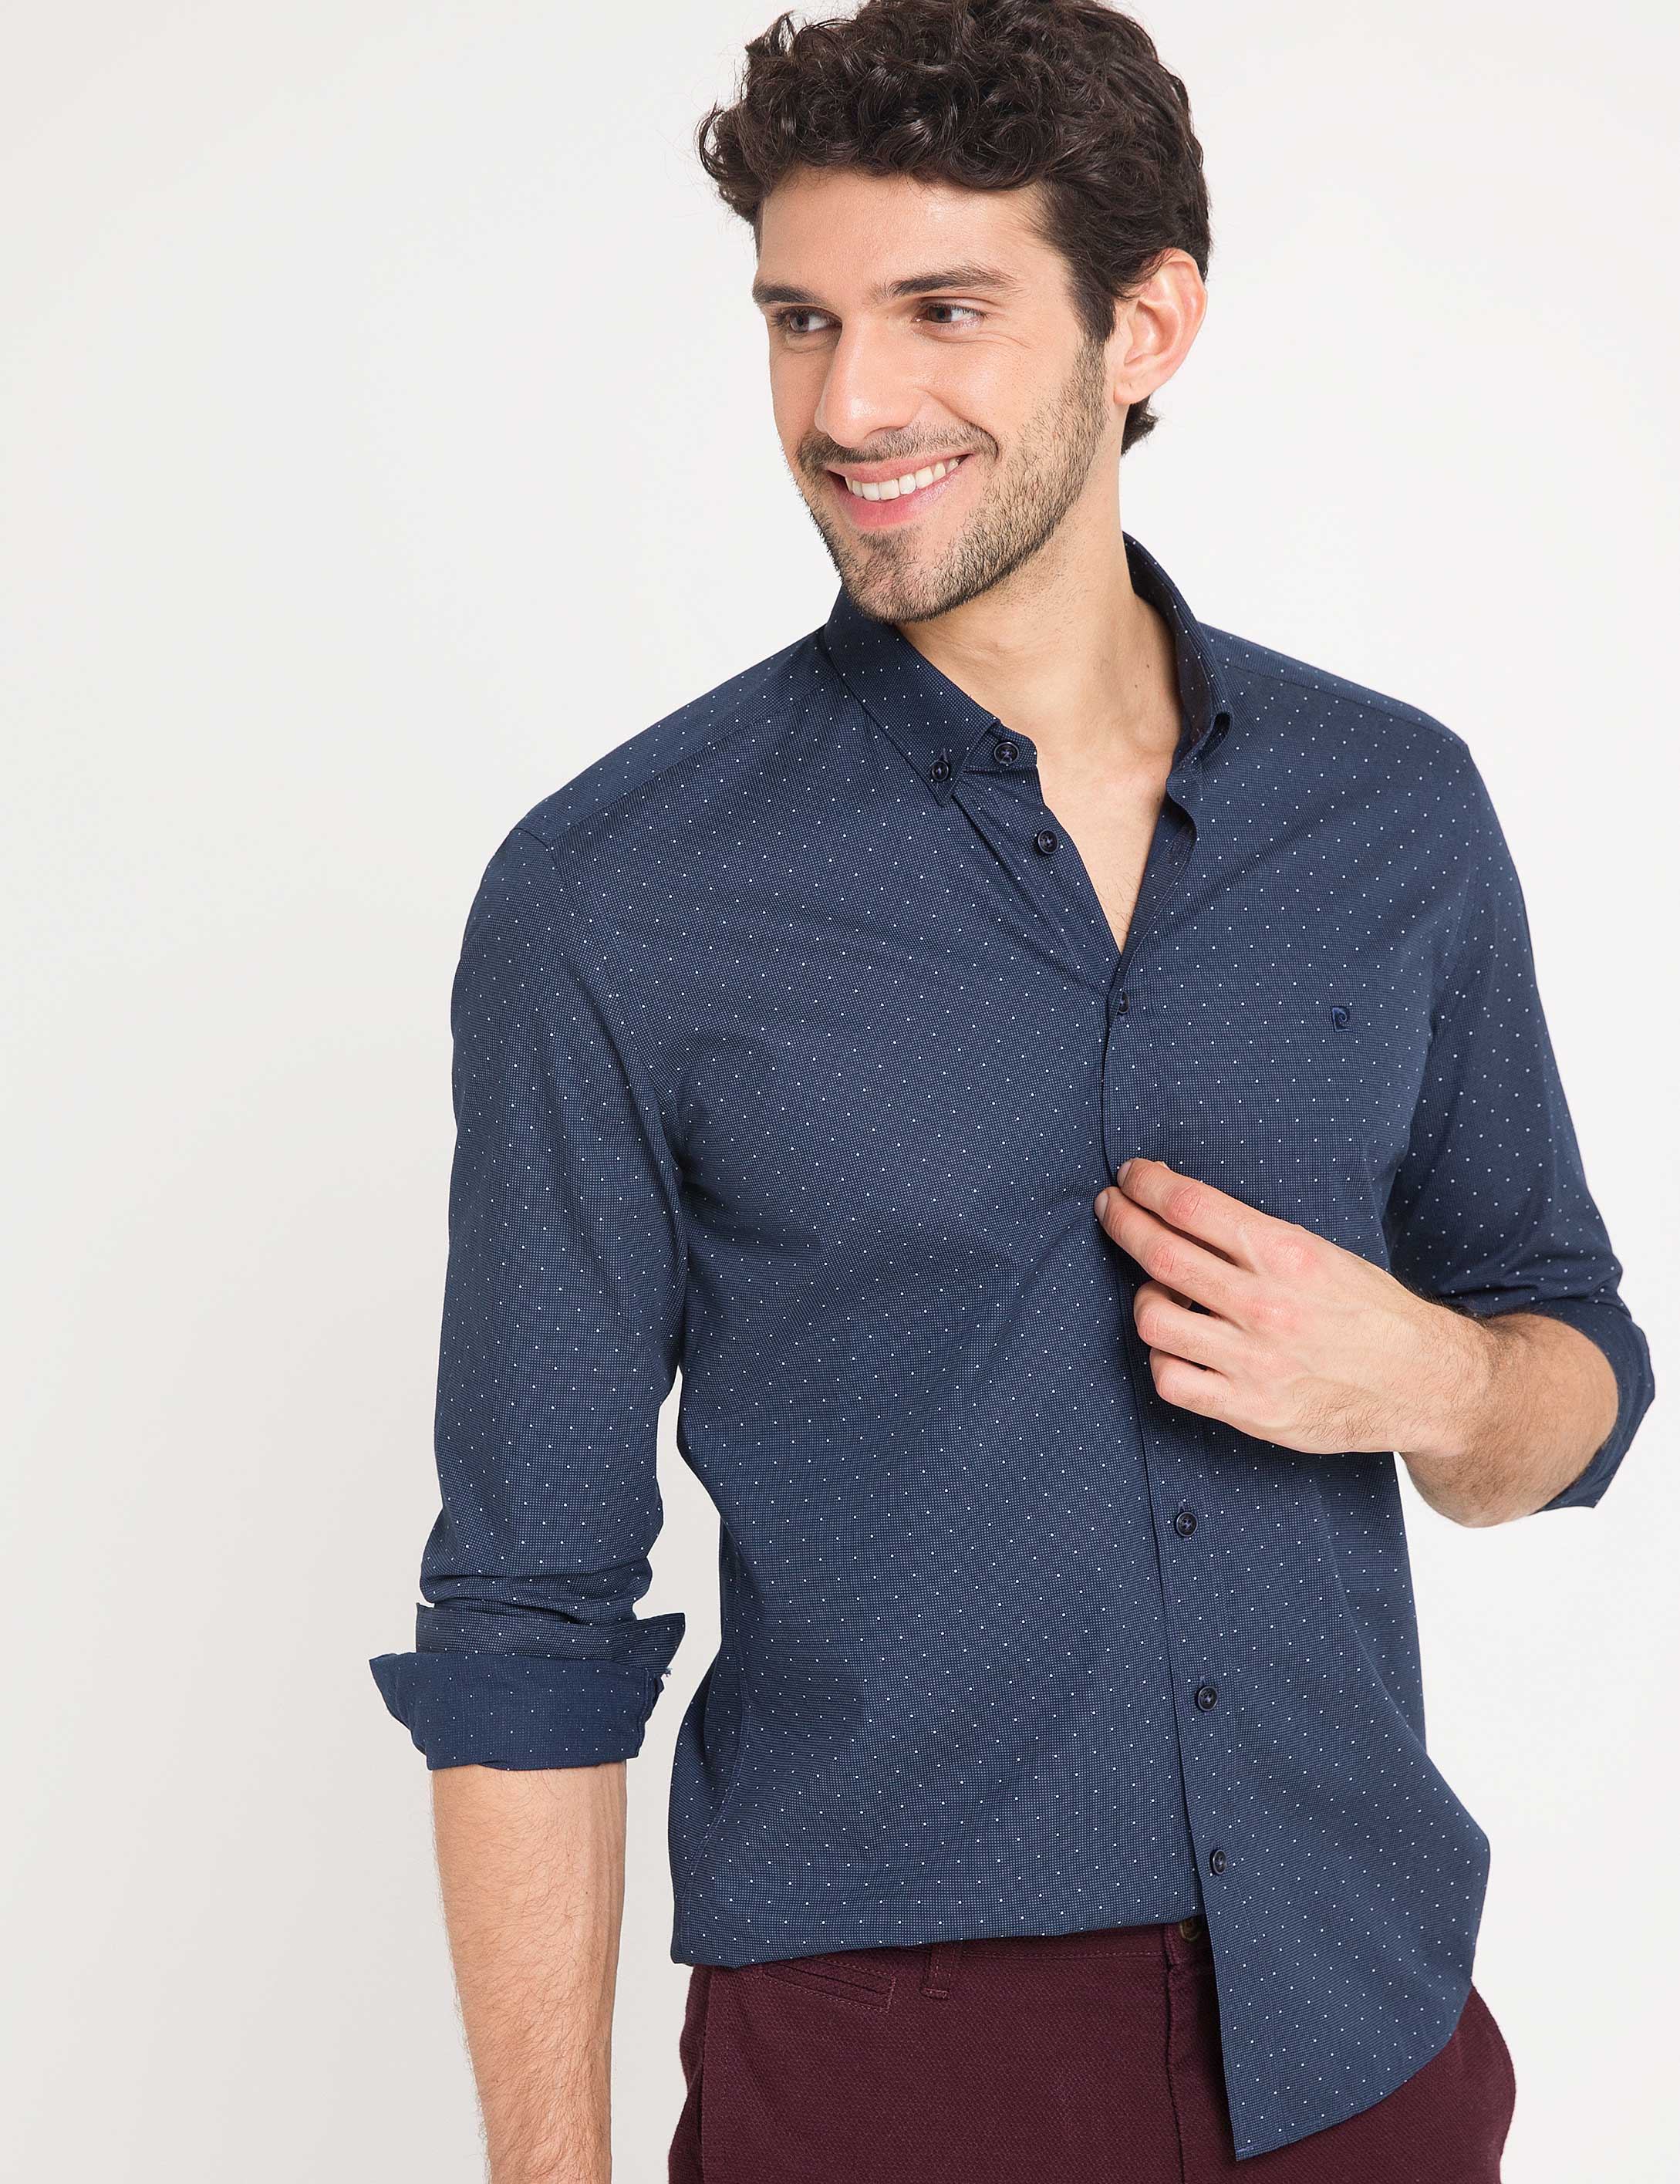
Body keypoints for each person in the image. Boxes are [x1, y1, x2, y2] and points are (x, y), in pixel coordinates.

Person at [368, 3, 1656, 2177]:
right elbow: (525, 1616)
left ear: (1144, 325)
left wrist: (1433, 1378)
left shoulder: (1389, 815)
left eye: (941, 312)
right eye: (799, 319)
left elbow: (1574, 1390)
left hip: (1361, 2031)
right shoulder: (619, 894)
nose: (847, 405)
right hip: (886, 2069)